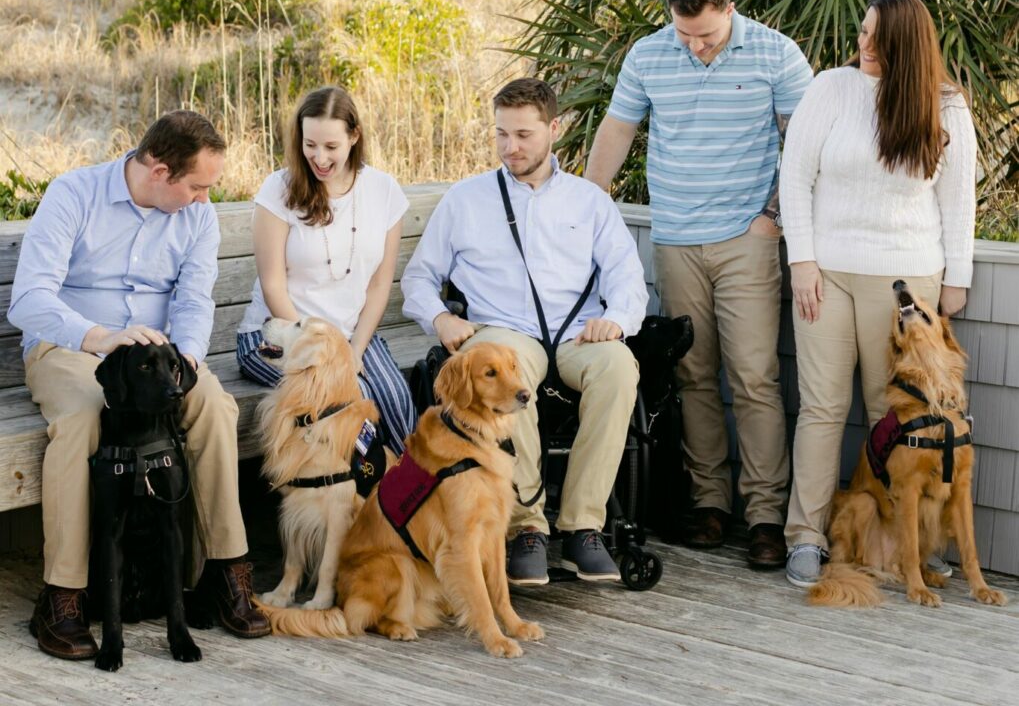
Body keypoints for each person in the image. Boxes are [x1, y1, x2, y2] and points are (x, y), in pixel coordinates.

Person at [7, 110, 270, 661]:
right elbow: (29, 300)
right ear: (158, 169)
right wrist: (102, 337)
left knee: (214, 408)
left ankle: (225, 570)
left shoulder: (198, 217)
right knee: (82, 417)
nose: (205, 198)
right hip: (72, 347)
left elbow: (195, 301)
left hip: (157, 360)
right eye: (197, 185)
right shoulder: (75, 195)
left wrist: (187, 365)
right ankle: (65, 595)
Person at [585, 0, 814, 569]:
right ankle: (710, 503)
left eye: (707, 34)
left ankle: (765, 515)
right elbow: (617, 130)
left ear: (729, 9)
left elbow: (805, 146)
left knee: (755, 376)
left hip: (748, 238)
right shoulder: (649, 55)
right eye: (685, 33)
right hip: (676, 238)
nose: (695, 44)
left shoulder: (776, 54)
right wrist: (585, 205)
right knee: (692, 376)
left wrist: (773, 218)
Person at [401, 78, 649, 585]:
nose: (510, 147)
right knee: (509, 373)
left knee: (621, 368)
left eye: (523, 135)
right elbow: (419, 277)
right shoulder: (466, 199)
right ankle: (527, 527)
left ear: (554, 129)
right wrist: (441, 317)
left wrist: (617, 318)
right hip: (505, 331)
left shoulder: (589, 200)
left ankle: (583, 527)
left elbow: (628, 278)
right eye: (500, 135)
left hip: (580, 334)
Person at [780, 0, 976, 588]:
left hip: (905, 282)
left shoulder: (947, 109)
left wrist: (956, 283)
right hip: (827, 276)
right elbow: (795, 174)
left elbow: (957, 201)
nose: (863, 44)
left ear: (906, 46)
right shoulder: (830, 89)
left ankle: (910, 547)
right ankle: (807, 536)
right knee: (821, 407)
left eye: (876, 37)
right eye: (861, 31)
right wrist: (803, 261)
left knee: (897, 417)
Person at [236, 86, 415, 454]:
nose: (319, 157)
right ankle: (357, 500)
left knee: (397, 399)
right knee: (349, 399)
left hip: (352, 335)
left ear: (354, 136)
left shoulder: (383, 191)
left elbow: (380, 286)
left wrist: (354, 350)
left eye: (331, 147)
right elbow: (273, 288)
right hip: (278, 337)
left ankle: (408, 499)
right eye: (310, 144)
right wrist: (324, 352)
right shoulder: (279, 190)